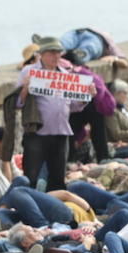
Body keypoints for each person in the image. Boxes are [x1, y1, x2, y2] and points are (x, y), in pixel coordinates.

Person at [16, 36, 97, 191]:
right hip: (37, 133)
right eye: (52, 53)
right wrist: (25, 88)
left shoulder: (65, 75)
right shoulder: (29, 72)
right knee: (30, 178)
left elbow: (73, 107)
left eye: (58, 53)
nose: (56, 56)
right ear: (42, 54)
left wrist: (86, 97)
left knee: (58, 179)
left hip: (61, 133)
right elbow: (17, 103)